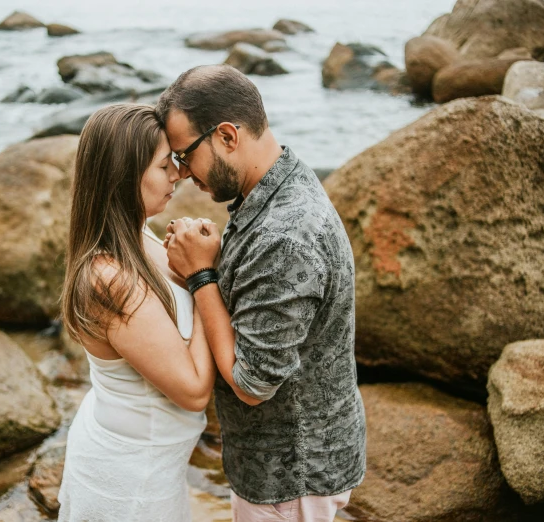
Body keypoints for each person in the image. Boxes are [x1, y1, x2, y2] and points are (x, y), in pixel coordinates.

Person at [156, 64, 367, 522]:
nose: (183, 173)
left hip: (289, 476)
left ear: (228, 136)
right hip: (284, 462)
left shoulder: (285, 237)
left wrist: (202, 274)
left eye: (185, 155)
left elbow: (252, 384)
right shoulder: (275, 185)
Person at [57, 103, 217, 522]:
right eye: (166, 165)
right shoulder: (109, 278)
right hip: (130, 481)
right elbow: (194, 390)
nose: (179, 175)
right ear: (124, 176)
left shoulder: (137, 234)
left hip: (147, 458)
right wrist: (203, 277)